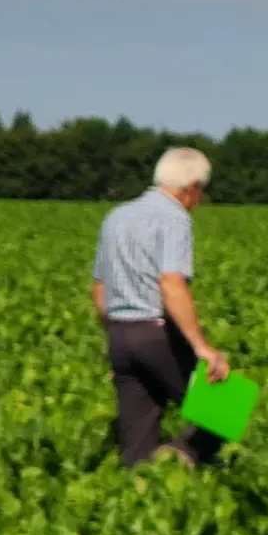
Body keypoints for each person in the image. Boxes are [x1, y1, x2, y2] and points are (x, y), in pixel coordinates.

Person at [91, 146, 232, 467]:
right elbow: (171, 283)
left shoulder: (116, 217)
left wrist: (114, 340)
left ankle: (144, 491)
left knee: (136, 450)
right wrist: (202, 347)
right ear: (191, 189)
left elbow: (99, 289)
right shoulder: (174, 218)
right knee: (224, 407)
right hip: (156, 334)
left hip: (120, 335)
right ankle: (180, 456)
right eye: (201, 192)